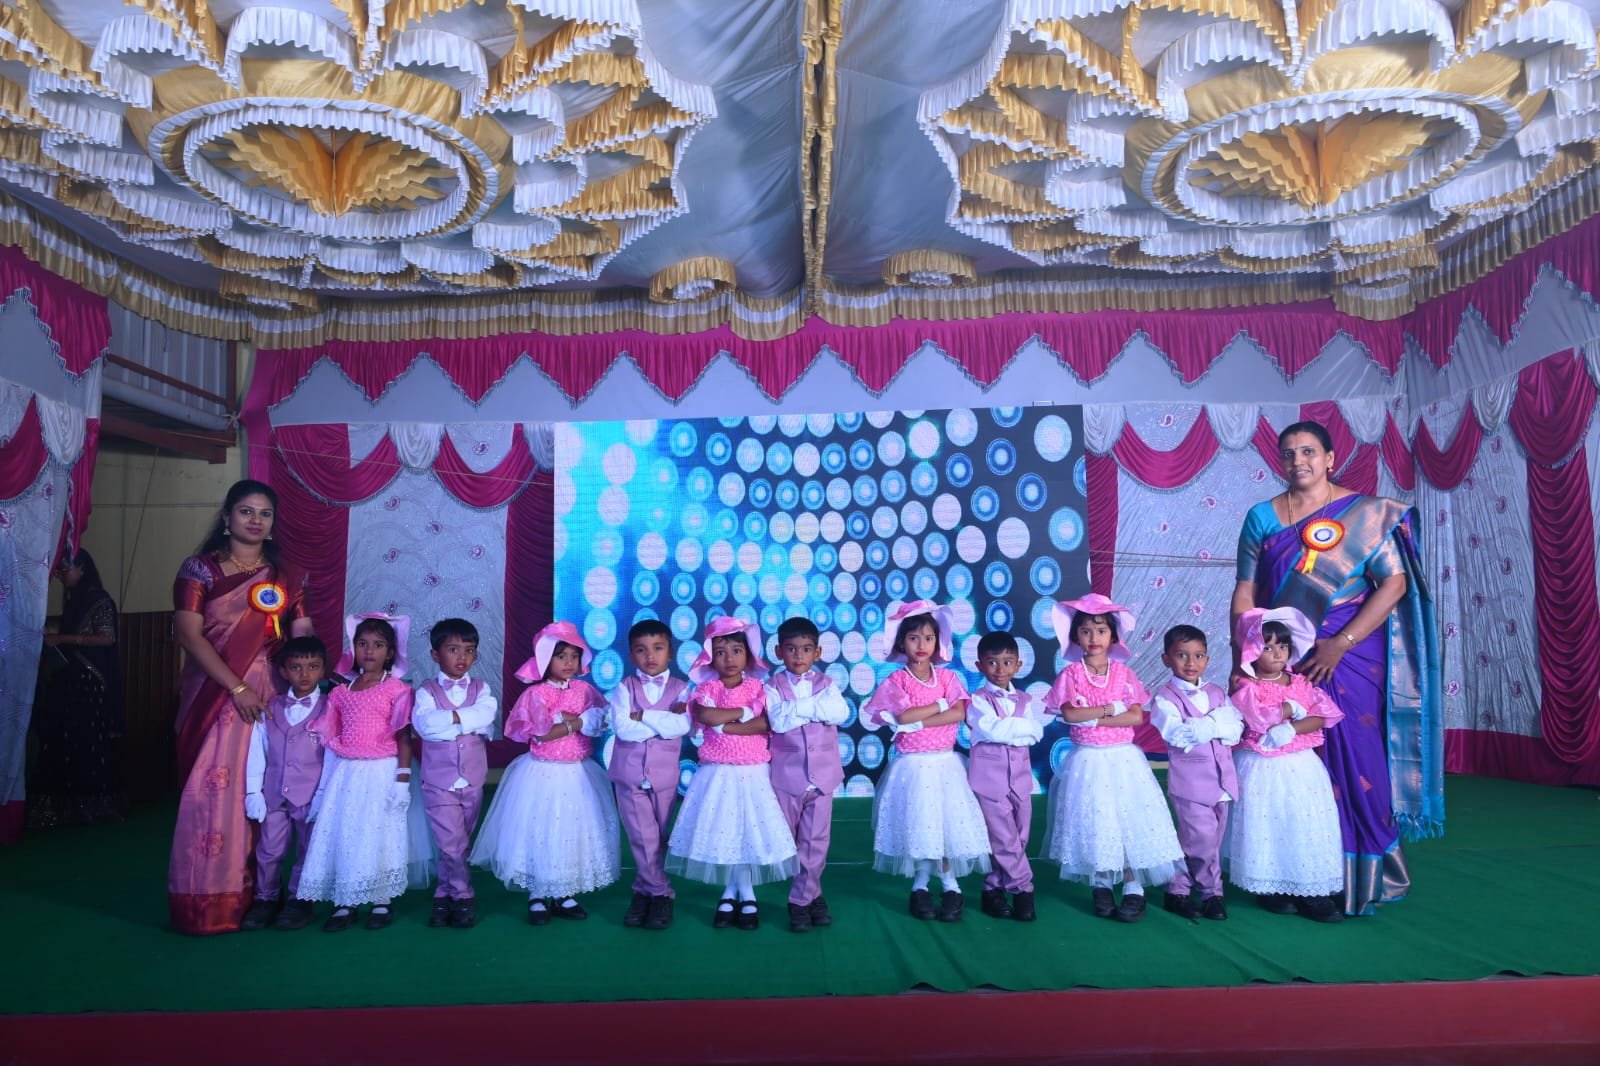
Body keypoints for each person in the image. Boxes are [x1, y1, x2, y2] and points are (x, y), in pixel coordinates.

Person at [1232, 420, 1442, 917]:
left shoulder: (1365, 514)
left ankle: (1352, 876)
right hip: (1282, 656)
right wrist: (1244, 657)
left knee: (1356, 758)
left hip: (1350, 655)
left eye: (1308, 451)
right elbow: (1245, 591)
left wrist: (1339, 645)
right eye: (1288, 453)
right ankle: (1287, 876)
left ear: (1329, 459)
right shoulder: (1261, 517)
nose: (1298, 461)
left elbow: (1393, 584)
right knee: (1288, 768)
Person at [169, 479, 312, 935]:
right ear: (227, 517)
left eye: (265, 513)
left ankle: (265, 894)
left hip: (273, 695)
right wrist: (236, 688)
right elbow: (188, 635)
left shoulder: (286, 576)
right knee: (214, 791)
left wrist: (313, 680)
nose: (255, 520)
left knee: (270, 792)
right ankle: (211, 899)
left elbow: (302, 636)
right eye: (246, 511)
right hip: (216, 693)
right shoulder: (201, 569)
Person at [1041, 593, 1183, 924]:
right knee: (1096, 820)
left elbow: (1134, 716)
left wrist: (1092, 717)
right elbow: (1070, 715)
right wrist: (1108, 710)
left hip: (1123, 761)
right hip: (1087, 761)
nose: (1094, 637)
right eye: (1086, 631)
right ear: (1076, 636)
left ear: (1113, 636)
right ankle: (1101, 883)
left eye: (1101, 630)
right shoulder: (1071, 675)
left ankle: (1134, 886)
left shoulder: (1123, 674)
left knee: (1129, 819)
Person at [471, 622, 618, 926]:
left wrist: (569, 722)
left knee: (572, 830)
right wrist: (576, 723)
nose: (568, 663)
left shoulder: (585, 691)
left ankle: (564, 891)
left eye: (574, 656)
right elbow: (542, 733)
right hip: (542, 774)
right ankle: (537, 892)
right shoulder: (536, 694)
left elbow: (602, 720)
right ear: (545, 660)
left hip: (578, 773)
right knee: (541, 830)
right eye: (560, 656)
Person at [861, 600, 990, 924]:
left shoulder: (947, 677)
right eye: (913, 638)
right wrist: (937, 708)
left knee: (944, 826)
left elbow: (958, 713)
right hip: (912, 767)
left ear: (938, 642)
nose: (921, 644)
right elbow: (904, 716)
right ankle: (920, 885)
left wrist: (921, 719)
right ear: (901, 643)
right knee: (921, 826)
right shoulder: (897, 681)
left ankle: (950, 885)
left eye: (929, 638)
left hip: (944, 765)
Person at [666, 617, 796, 931]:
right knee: (725, 832)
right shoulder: (706, 689)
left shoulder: (759, 688)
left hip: (753, 773)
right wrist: (742, 713)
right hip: (717, 774)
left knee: (748, 833)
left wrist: (728, 727)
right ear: (710, 657)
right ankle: (731, 890)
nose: (729, 659)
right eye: (721, 652)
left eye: (736, 651)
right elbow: (706, 715)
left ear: (748, 655)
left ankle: (744, 891)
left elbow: (766, 723)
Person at [298, 613, 416, 932]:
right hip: (347, 773)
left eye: (378, 645)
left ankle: (381, 899)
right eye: (362, 643)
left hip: (382, 771)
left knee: (379, 830)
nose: (369, 650)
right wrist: (324, 786)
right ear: (354, 648)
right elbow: (332, 738)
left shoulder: (397, 690)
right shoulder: (340, 692)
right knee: (347, 831)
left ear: (390, 652)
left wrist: (403, 779)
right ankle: (346, 899)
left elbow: (404, 736)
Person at [1228, 607, 1346, 922]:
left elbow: (1322, 715)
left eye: (1282, 646)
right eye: (1268, 647)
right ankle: (1272, 885)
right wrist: (1290, 709)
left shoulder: (1299, 682)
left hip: (1300, 765)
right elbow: (1258, 719)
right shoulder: (1246, 686)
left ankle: (1312, 888)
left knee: (1303, 821)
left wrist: (1292, 728)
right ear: (1253, 651)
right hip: (1262, 764)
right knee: (1269, 823)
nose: (1278, 653)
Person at [1148, 624, 1243, 922]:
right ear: (1166, 659)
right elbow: (1179, 735)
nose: (1191, 662)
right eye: (1182, 655)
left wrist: (1209, 726)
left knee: (1207, 841)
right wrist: (1216, 724)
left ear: (1207, 659)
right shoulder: (1165, 699)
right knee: (1200, 841)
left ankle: (1177, 889)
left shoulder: (1217, 692)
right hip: (1191, 786)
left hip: (1223, 782)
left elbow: (1236, 730)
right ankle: (1212, 894)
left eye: (1198, 655)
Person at [602, 618, 691, 931]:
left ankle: (643, 890)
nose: (650, 656)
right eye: (641, 650)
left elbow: (681, 726)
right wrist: (662, 721)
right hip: (629, 775)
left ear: (670, 652)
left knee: (659, 837)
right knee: (642, 836)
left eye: (658, 648)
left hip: (665, 777)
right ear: (631, 655)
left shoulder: (683, 689)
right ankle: (661, 894)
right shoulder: (623, 688)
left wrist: (645, 716)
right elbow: (625, 729)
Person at [765, 615, 850, 933]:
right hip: (786, 778)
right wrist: (815, 708)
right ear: (779, 652)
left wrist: (797, 709)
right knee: (787, 840)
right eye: (791, 649)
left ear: (818, 652)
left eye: (805, 649)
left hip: (823, 777)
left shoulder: (828, 684)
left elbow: (838, 712)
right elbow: (778, 721)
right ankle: (813, 893)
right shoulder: (771, 687)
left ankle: (800, 900)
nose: (798, 655)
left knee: (815, 841)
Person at [411, 618, 498, 930]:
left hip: (473, 779)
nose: (462, 656)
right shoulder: (425, 692)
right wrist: (467, 722)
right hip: (439, 782)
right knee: (452, 843)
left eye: (469, 650)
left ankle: (443, 891)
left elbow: (487, 714)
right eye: (453, 649)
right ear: (435, 655)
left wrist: (448, 721)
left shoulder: (482, 688)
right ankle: (463, 896)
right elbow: (426, 727)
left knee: (459, 842)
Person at [239, 635, 329, 931]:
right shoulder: (271, 707)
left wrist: (324, 793)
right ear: (283, 671)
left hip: (311, 795)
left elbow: (333, 755)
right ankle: (266, 898)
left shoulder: (330, 709)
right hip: (274, 793)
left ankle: (301, 901)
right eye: (296, 667)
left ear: (323, 670)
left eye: (313, 667)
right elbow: (258, 750)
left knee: (308, 849)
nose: (305, 674)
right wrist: (253, 791)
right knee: (269, 849)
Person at [34, 548, 124, 826]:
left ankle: (94, 805)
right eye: (59, 570)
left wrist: (63, 639)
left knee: (88, 740)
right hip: (70, 679)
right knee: (64, 739)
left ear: (83, 568)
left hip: (90, 681)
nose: (62, 575)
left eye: (66, 569)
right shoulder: (75, 599)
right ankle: (66, 806)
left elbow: (107, 638)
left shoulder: (99, 600)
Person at [966, 630, 1045, 922]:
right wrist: (1018, 729)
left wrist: (1011, 729)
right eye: (992, 662)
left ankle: (992, 889)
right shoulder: (976, 700)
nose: (1000, 669)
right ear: (979, 665)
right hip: (989, 781)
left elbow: (1036, 733)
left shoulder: (1025, 699)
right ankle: (1023, 890)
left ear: (1018, 665)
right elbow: (992, 729)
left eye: (1007, 662)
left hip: (1021, 780)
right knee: (1004, 838)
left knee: (1020, 836)